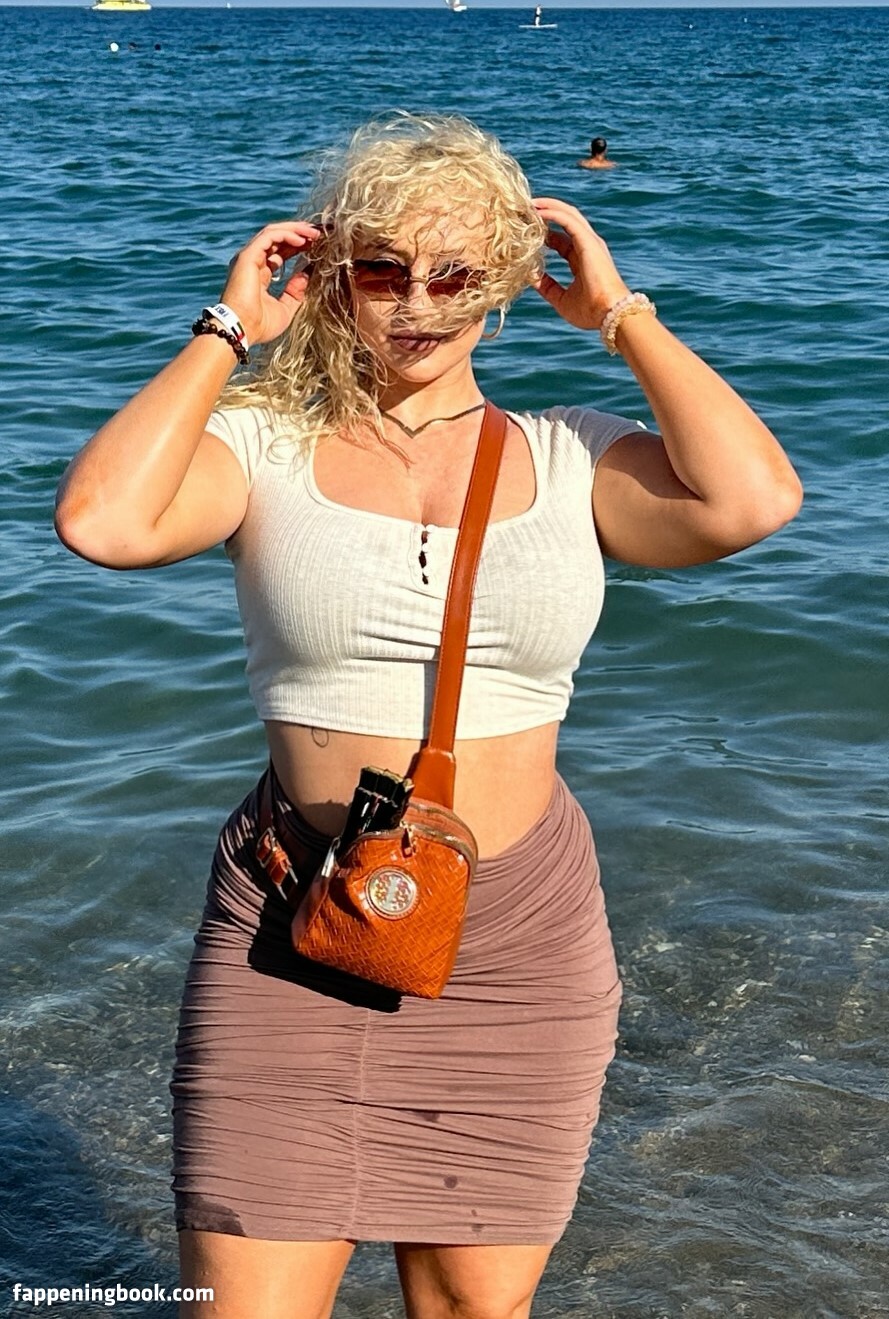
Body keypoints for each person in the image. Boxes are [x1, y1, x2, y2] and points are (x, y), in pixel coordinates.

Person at [54, 113, 802, 1319]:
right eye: (382, 269)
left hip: (517, 939)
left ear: (505, 277)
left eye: (456, 273)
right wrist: (228, 330)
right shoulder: (262, 445)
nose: (417, 302)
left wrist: (618, 315)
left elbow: (752, 499)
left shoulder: (570, 456)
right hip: (291, 923)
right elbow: (102, 523)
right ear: (330, 272)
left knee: (470, 1310)